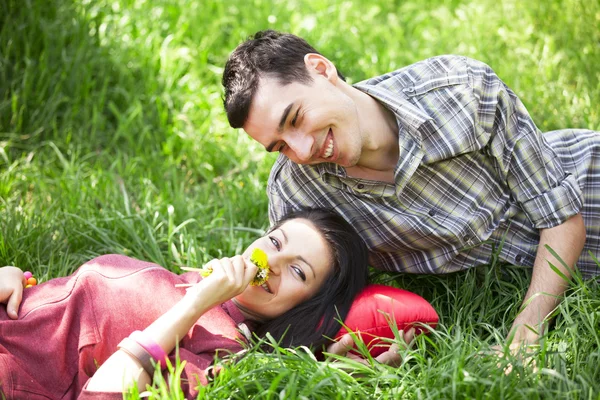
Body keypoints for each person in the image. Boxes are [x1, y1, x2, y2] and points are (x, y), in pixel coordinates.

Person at [221, 30, 600, 356]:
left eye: (295, 118)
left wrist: (527, 330)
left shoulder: (461, 90)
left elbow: (562, 218)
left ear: (321, 70)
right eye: (280, 146)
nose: (302, 151)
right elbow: (286, 298)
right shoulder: (296, 191)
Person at [0, 209, 369, 399]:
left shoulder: (222, 352)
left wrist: (192, 306)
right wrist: (17, 277)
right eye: (275, 243)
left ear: (309, 309)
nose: (270, 263)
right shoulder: (184, 283)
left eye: (298, 272)